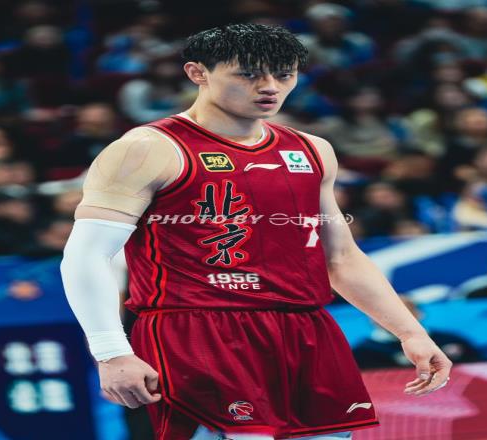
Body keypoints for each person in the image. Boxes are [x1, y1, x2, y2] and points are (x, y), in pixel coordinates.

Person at [60, 24, 452, 440]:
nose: (269, 87)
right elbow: (87, 255)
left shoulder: (312, 150)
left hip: (306, 330)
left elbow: (340, 258)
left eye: (284, 75)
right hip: (198, 332)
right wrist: (111, 352)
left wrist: (410, 332)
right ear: (197, 72)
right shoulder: (147, 148)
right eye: (248, 74)